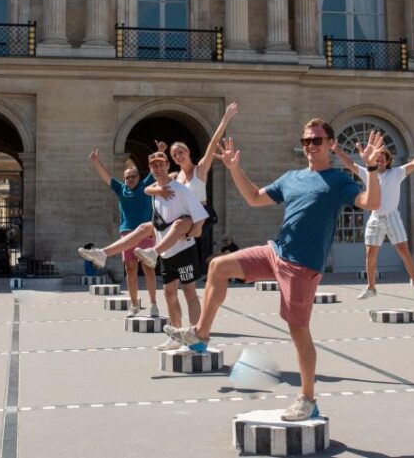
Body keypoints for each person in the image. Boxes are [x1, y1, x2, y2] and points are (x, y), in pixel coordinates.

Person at [164, 119, 383, 421]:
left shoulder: (338, 180)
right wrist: (233, 168)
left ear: (331, 144)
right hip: (275, 252)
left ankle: (308, 399)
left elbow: (371, 201)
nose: (310, 146)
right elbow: (254, 198)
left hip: (301, 267)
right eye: (306, 141)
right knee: (218, 266)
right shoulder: (292, 177)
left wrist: (370, 169)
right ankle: (200, 334)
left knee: (298, 331)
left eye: (317, 141)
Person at [80, 151, 208, 350]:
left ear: (167, 165)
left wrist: (189, 232)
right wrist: (156, 192)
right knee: (169, 294)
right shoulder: (153, 191)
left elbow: (200, 217)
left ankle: (197, 339)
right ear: (151, 169)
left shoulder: (180, 189)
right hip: (166, 253)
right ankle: (103, 253)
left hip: (183, 250)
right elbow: (151, 196)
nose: (158, 168)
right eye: (154, 165)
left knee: (190, 292)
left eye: (161, 164)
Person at [333, 133, 414, 298]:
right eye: (377, 159)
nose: (379, 162)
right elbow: (350, 164)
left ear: (388, 162)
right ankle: (371, 288)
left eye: (382, 160)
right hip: (375, 217)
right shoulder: (368, 173)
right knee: (370, 254)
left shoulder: (396, 173)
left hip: (392, 216)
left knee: (404, 251)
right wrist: (337, 150)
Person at [145, 103, 239, 275]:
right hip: (181, 218)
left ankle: (156, 252)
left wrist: (225, 119)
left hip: (199, 219)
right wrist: (159, 191)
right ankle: (103, 253)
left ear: (188, 152)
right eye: (175, 155)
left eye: (181, 152)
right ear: (172, 160)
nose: (179, 156)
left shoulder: (200, 170)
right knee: (144, 228)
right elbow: (148, 189)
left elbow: (212, 143)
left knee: (189, 245)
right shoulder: (174, 176)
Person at [86, 149, 159, 317]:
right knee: (131, 269)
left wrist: (159, 153)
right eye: (127, 177)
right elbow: (107, 178)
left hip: (146, 232)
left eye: (133, 176)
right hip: (127, 233)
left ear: (138, 177)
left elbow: (156, 170)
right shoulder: (121, 189)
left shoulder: (146, 185)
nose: (130, 180)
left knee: (148, 268)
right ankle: (134, 305)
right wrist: (96, 162)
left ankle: (154, 304)